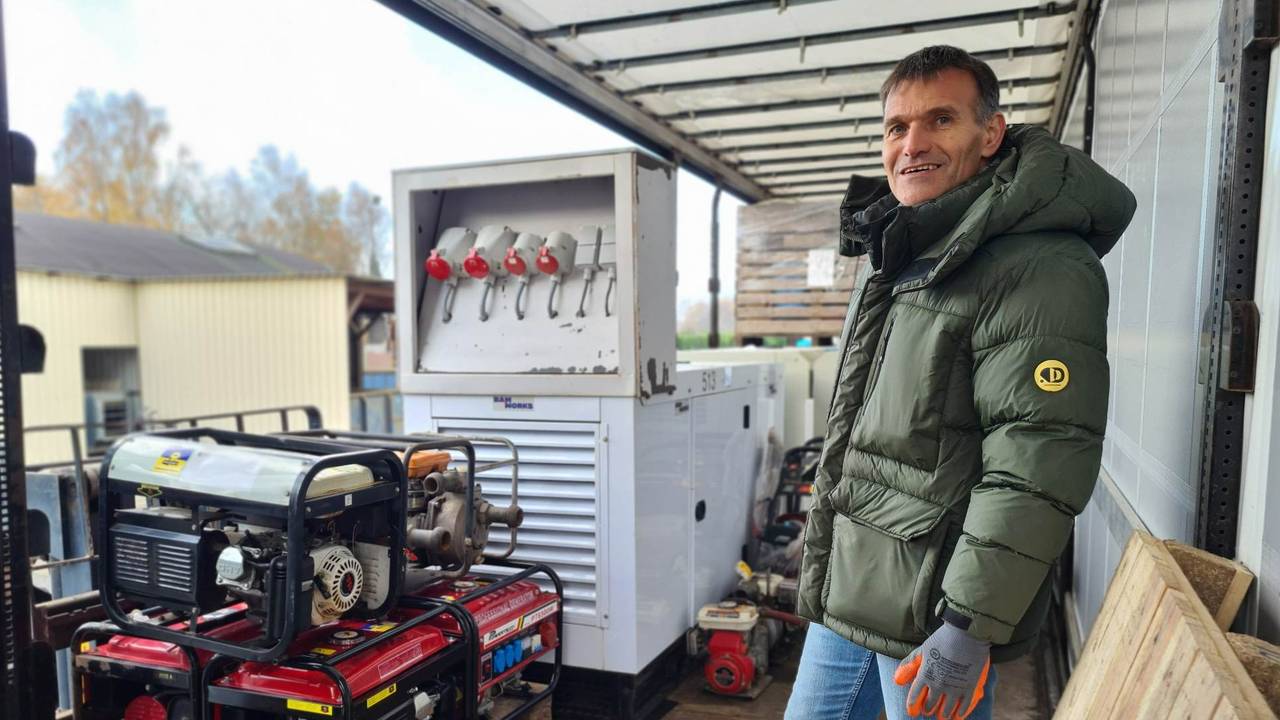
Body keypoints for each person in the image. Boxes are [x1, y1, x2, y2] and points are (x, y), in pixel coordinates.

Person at [784, 45, 1136, 720]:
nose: (912, 144)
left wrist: (969, 624)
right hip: (853, 581)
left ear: (991, 133)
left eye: (939, 121)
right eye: (896, 127)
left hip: (930, 605)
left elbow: (1036, 460)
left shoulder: (1040, 265)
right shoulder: (901, 250)